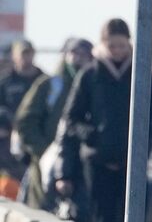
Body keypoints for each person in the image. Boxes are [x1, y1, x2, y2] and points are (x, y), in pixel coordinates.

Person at [54, 18, 152, 222]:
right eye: (112, 46)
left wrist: (143, 137)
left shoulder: (142, 73)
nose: (117, 51)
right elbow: (71, 118)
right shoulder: (90, 75)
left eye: (122, 46)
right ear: (103, 45)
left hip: (133, 165)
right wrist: (93, 135)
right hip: (98, 164)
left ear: (129, 44)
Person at [13, 37, 92, 208]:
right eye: (73, 53)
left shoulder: (95, 88)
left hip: (85, 169)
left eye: (84, 54)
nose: (78, 58)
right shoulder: (50, 86)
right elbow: (25, 121)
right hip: (45, 167)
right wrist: (44, 150)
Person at [0, 39, 43, 113]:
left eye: (29, 53)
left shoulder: (44, 80)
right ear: (14, 55)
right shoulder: (4, 82)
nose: (26, 57)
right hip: (12, 123)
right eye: (23, 53)